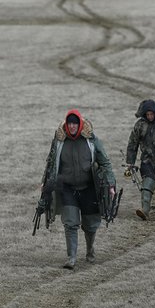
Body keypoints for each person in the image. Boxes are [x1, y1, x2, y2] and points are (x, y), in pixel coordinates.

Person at [41, 109, 116, 270]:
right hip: (67, 188)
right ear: (66, 125)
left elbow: (105, 163)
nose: (72, 126)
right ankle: (72, 258)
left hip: (89, 187)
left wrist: (110, 185)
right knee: (70, 223)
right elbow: (51, 165)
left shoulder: (91, 140)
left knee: (90, 224)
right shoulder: (59, 141)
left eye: (75, 123)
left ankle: (90, 250)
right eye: (70, 124)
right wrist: (46, 185)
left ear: (80, 124)